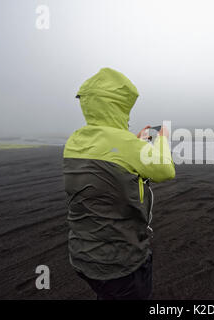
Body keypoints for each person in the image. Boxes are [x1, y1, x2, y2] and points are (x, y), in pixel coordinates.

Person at [63, 67, 175, 300]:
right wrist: (161, 139)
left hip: (82, 256)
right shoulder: (128, 146)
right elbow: (165, 170)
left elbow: (111, 157)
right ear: (120, 106)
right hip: (120, 264)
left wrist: (134, 142)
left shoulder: (74, 141)